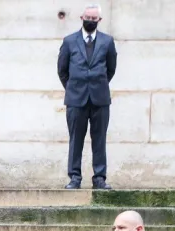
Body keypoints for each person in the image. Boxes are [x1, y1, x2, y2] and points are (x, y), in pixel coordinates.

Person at [57, 3, 117, 190]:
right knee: (76, 139)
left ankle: (99, 178)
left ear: (99, 20)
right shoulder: (69, 41)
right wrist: (73, 88)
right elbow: (62, 70)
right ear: (81, 18)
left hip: (100, 99)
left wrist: (97, 84)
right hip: (76, 99)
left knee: (99, 139)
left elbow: (111, 69)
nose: (90, 21)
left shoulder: (107, 41)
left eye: (94, 19)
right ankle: (75, 177)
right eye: (88, 18)